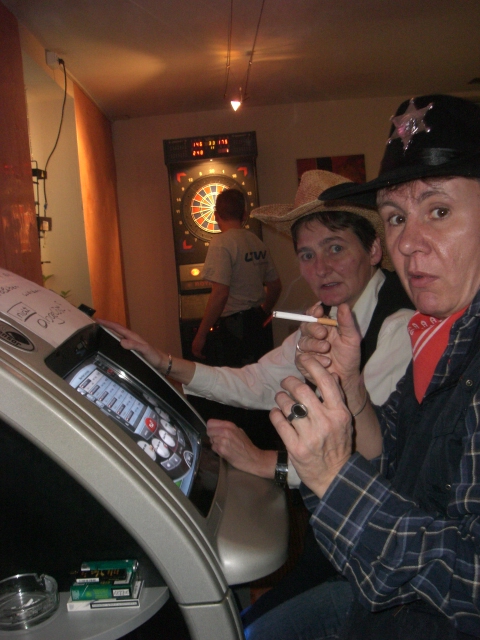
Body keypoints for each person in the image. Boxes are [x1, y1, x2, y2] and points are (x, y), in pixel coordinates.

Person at [251, 94, 480, 640]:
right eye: (396, 217)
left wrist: (332, 478)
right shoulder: (441, 334)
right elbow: (392, 457)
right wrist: (351, 384)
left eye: (439, 211)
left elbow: (470, 585)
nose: (409, 243)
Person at [191, 187, 281, 365]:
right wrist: (263, 312)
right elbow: (276, 286)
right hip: (257, 323)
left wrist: (201, 335)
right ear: (244, 215)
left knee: (236, 378)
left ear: (216, 216)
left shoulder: (221, 243)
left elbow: (220, 293)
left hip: (235, 327)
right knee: (260, 375)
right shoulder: (257, 242)